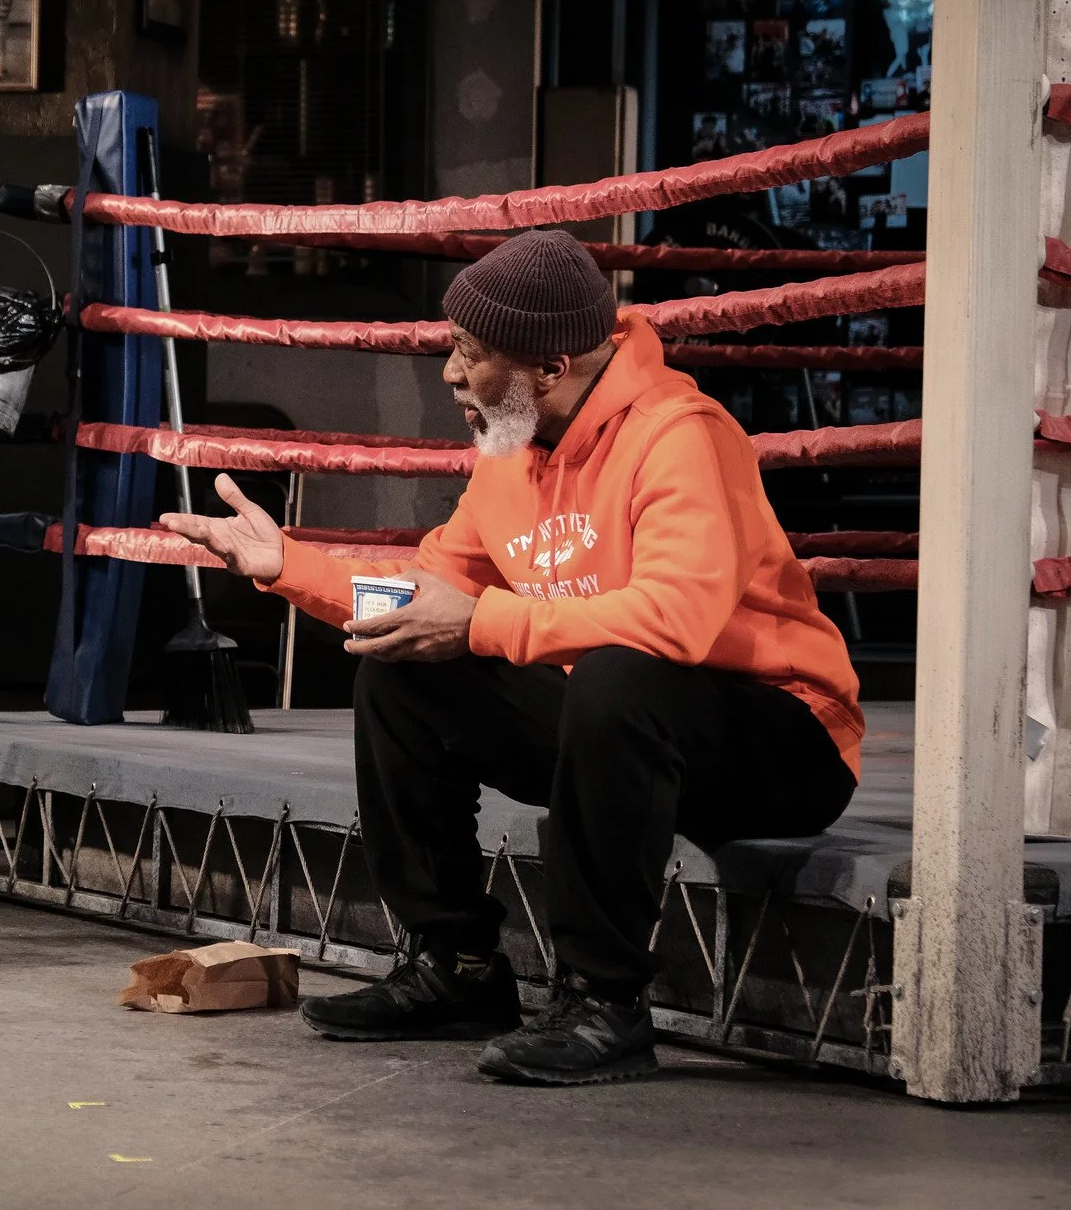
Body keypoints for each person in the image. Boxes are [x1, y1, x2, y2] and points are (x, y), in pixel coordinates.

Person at [163, 229, 861, 1085]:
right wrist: (290, 568)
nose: (450, 374)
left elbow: (675, 619)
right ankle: (455, 964)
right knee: (402, 667)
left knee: (617, 671)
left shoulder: (681, 434)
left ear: (551, 366)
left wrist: (486, 621)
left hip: (783, 737)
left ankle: (606, 1003)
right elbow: (429, 605)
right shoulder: (507, 452)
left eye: (470, 354)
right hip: (627, 726)